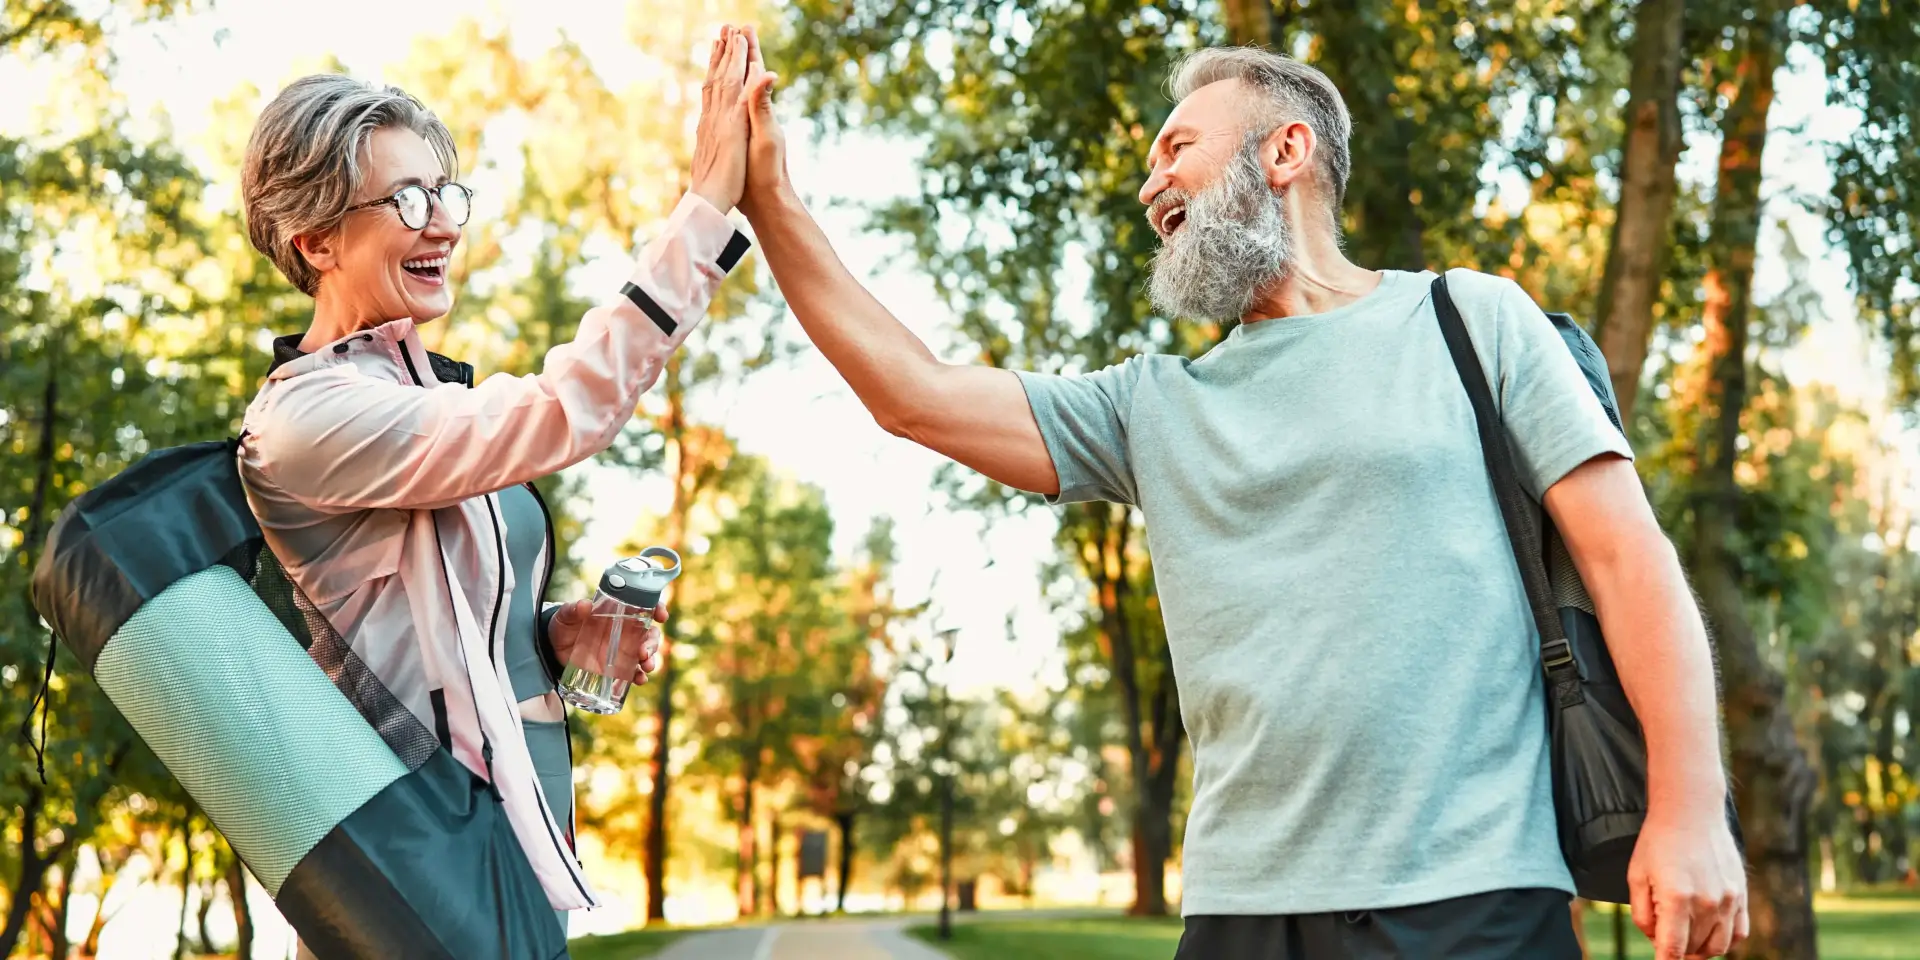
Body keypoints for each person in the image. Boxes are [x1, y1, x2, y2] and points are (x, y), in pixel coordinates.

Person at [731, 33, 1748, 960]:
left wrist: (1691, 809)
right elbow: (915, 397)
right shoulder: (1153, 406)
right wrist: (770, 199)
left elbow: (1627, 558)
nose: (1150, 183)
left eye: (1176, 148)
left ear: (1285, 150)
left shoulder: (1470, 319)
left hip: (1474, 901)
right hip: (1238, 917)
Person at [234, 25, 760, 941]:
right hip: (425, 856)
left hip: (518, 835)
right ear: (316, 241)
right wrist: (707, 202)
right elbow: (567, 408)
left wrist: (553, 638)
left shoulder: (418, 390)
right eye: (404, 200)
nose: (442, 221)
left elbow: (436, 639)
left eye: (441, 192)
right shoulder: (306, 418)